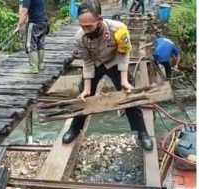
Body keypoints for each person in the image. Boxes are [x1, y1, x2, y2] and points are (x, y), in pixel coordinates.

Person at [62, 1, 153, 150]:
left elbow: (123, 54)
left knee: (128, 93)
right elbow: (87, 62)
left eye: (89, 26)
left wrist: (124, 80)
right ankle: (74, 129)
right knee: (84, 95)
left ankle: (142, 132)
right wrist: (86, 89)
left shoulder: (118, 29)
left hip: (115, 61)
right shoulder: (80, 37)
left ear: (100, 19)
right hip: (96, 63)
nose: (85, 30)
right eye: (82, 26)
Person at [14, 0, 48, 73]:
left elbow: (24, 12)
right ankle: (40, 64)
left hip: (34, 23)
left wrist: (18, 26)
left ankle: (33, 68)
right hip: (43, 22)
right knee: (40, 44)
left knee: (30, 45)